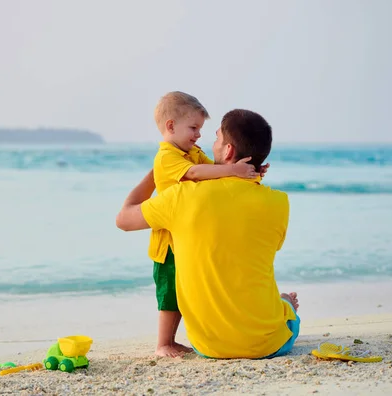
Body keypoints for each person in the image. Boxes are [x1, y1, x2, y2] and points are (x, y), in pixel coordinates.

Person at [116, 109, 300, 359]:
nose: (207, 144)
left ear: (228, 151)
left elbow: (124, 219)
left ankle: (281, 302)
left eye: (216, 139)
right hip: (270, 345)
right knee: (287, 308)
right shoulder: (279, 203)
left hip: (208, 347)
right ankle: (284, 303)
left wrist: (159, 171)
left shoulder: (182, 197)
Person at [148, 91, 261, 357]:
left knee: (185, 290)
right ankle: (163, 343)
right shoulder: (167, 157)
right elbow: (197, 174)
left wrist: (247, 171)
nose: (199, 134)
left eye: (200, 128)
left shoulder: (193, 152)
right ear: (171, 126)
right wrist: (233, 170)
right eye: (194, 128)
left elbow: (216, 172)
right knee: (169, 293)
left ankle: (177, 339)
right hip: (168, 241)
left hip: (188, 237)